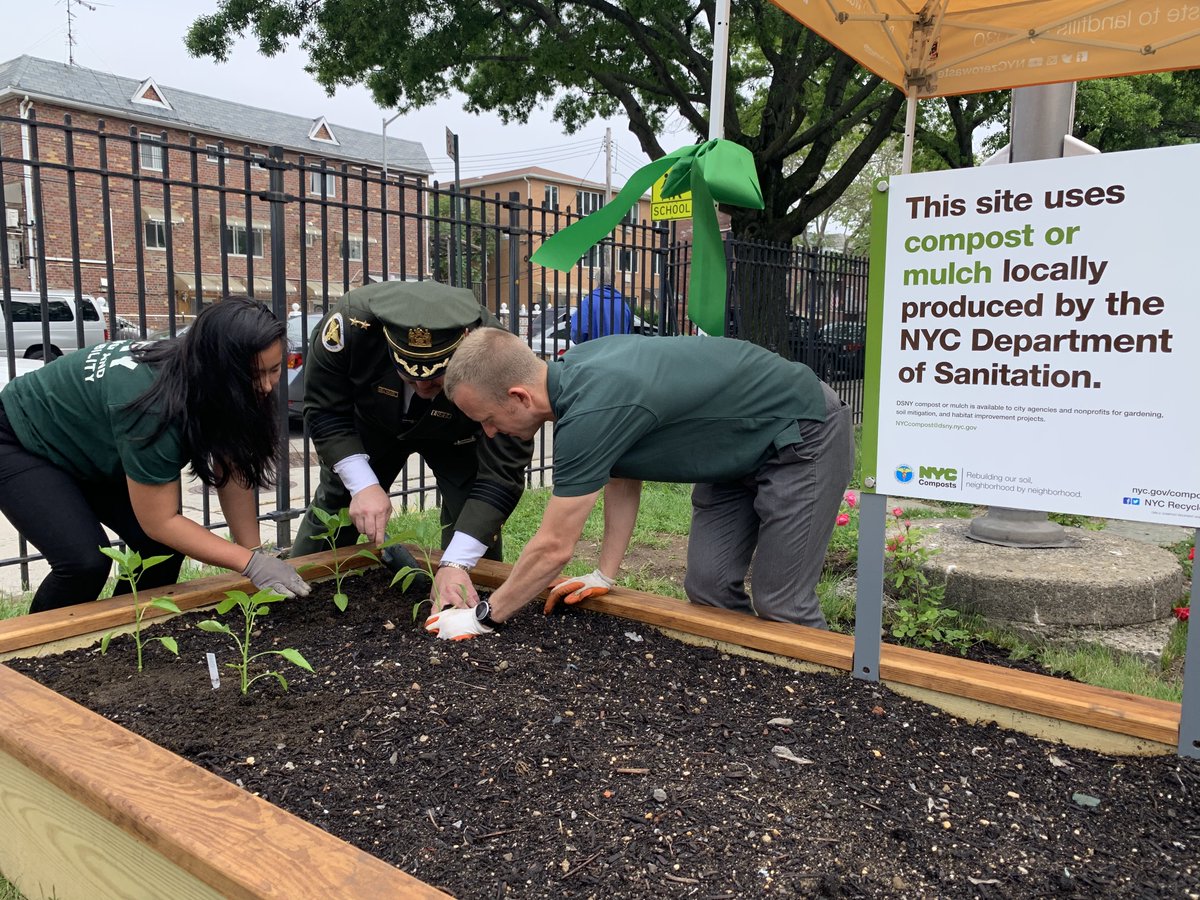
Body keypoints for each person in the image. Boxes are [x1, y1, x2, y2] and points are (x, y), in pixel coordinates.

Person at [427, 329, 853, 640]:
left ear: (520, 397)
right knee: (707, 588)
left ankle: (827, 706)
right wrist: (604, 575)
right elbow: (622, 472)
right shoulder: (574, 381)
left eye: (487, 418)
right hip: (732, 451)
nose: (489, 433)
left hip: (799, 432)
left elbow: (553, 547)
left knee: (780, 602)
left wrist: (485, 616)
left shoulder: (592, 407)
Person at [0, 298, 311, 614]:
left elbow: (231, 466)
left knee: (160, 550)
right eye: (254, 375)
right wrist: (249, 564)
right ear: (219, 368)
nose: (267, 386)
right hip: (19, 439)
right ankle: (30, 655)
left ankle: (129, 632)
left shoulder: (210, 375)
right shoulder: (153, 405)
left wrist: (253, 554)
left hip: (84, 440)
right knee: (83, 562)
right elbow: (160, 521)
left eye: (274, 370)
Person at [290, 280, 534, 608]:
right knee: (337, 503)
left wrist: (457, 562)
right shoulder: (351, 325)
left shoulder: (495, 348)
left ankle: (468, 603)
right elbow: (324, 409)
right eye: (409, 375)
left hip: (457, 435)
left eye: (436, 377)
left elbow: (504, 465)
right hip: (372, 425)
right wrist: (362, 485)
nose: (421, 386)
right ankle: (294, 594)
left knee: (473, 515)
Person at [569, 266, 633, 344]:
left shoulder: (589, 302)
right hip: (618, 353)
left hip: (594, 353)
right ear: (614, 280)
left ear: (597, 281)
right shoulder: (623, 305)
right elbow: (629, 334)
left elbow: (578, 330)